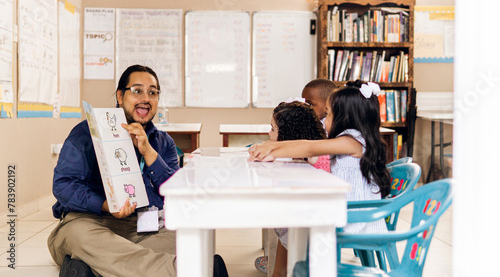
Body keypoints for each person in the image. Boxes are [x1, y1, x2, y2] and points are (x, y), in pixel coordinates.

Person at [47, 65, 228, 277]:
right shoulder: (86, 133)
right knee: (78, 236)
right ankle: (182, 270)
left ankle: (89, 269)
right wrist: (106, 206)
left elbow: (177, 192)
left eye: (153, 92)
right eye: (137, 90)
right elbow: (64, 185)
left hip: (144, 227)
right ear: (120, 95)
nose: (146, 98)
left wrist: (149, 152)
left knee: (191, 234)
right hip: (91, 222)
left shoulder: (163, 142)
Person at [250, 80, 391, 276]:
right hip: (348, 212)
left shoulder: (352, 141)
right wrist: (274, 148)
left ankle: (293, 270)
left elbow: (310, 146)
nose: (325, 120)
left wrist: (272, 148)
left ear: (346, 118)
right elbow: (308, 145)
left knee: (293, 221)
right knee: (292, 220)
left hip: (354, 219)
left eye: (330, 114)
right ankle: (285, 270)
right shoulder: (354, 139)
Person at [255, 101, 329, 276]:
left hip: (313, 218)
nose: (268, 133)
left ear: (287, 134)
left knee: (283, 219)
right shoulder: (301, 155)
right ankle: (278, 270)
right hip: (301, 215)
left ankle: (280, 270)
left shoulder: (313, 156)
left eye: (273, 129)